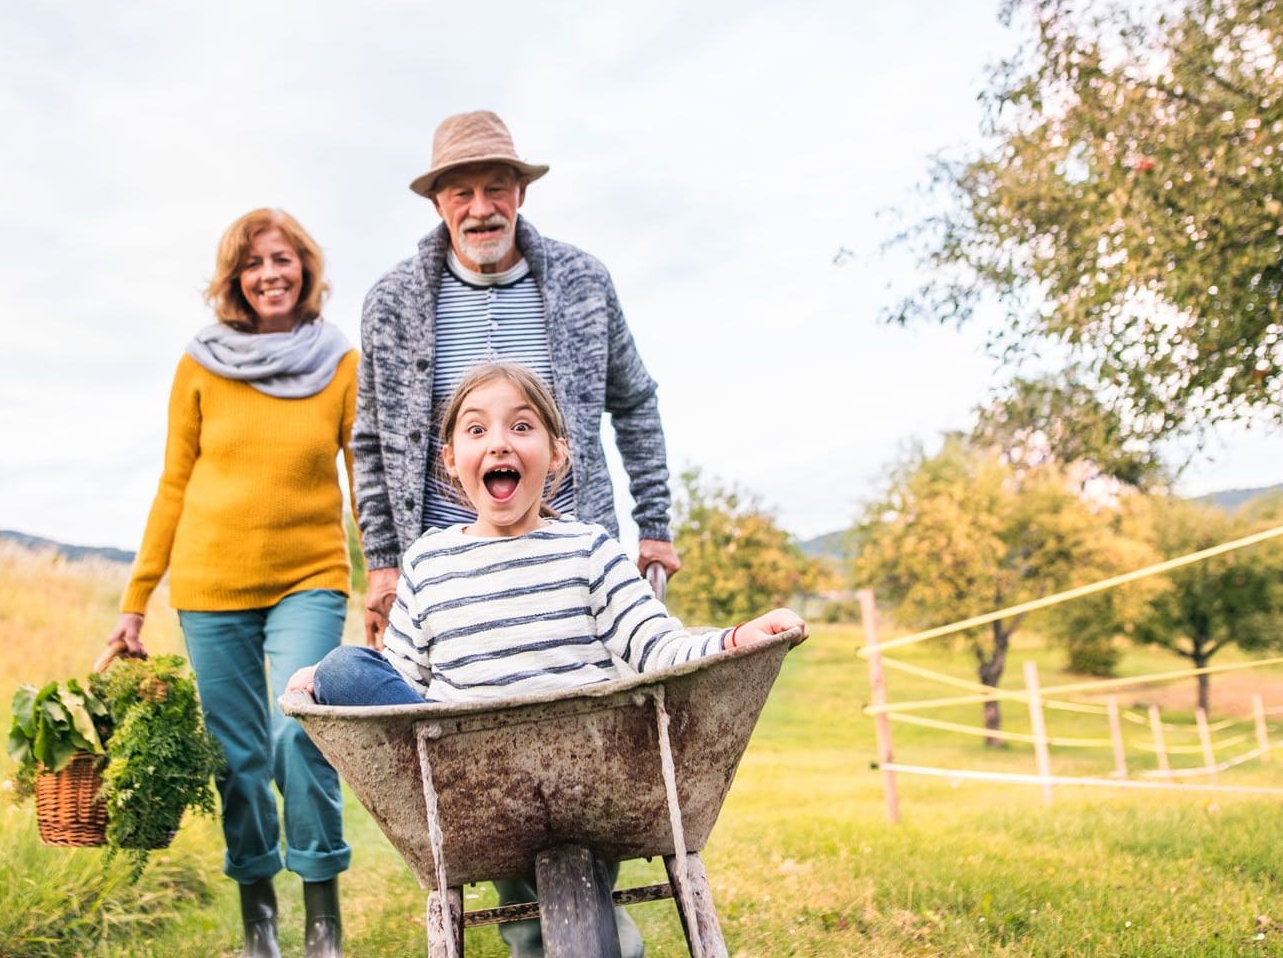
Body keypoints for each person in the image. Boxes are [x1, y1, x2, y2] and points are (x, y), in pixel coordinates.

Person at [289, 363, 808, 957]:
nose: (500, 442)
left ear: (557, 453)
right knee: (344, 668)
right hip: (467, 782)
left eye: (522, 425)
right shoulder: (430, 562)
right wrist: (332, 685)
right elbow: (401, 676)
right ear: (451, 460)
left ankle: (590, 938)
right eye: (477, 430)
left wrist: (736, 639)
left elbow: (657, 646)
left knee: (557, 920)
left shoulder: (588, 549)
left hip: (593, 772)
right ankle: (583, 939)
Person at [108, 207, 356, 958]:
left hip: (309, 575)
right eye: (253, 263)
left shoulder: (339, 362)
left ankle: (323, 919)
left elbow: (364, 476)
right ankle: (259, 920)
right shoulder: (201, 362)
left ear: (305, 268)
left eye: (283, 259)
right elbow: (173, 482)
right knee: (236, 757)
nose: (270, 274)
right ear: (234, 279)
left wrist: (384, 581)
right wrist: (135, 599)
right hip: (210, 584)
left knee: (298, 734)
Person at [352, 109, 683, 655]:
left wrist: (654, 524)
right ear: (437, 202)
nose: (481, 209)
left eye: (496, 189)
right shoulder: (392, 303)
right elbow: (369, 442)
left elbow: (635, 402)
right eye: (461, 193)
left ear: (521, 192)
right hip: (446, 570)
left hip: (568, 558)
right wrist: (384, 564)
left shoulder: (583, 283)